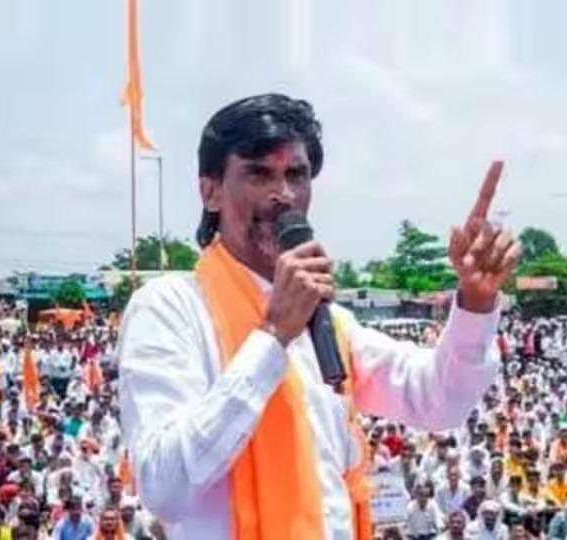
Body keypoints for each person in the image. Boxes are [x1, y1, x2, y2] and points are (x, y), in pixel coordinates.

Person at [118, 94, 519, 540]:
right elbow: (164, 487)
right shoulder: (170, 309)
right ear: (210, 191)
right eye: (259, 173)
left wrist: (476, 301)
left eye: (296, 174)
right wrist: (273, 338)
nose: (284, 195)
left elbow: (438, 400)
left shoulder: (329, 323)